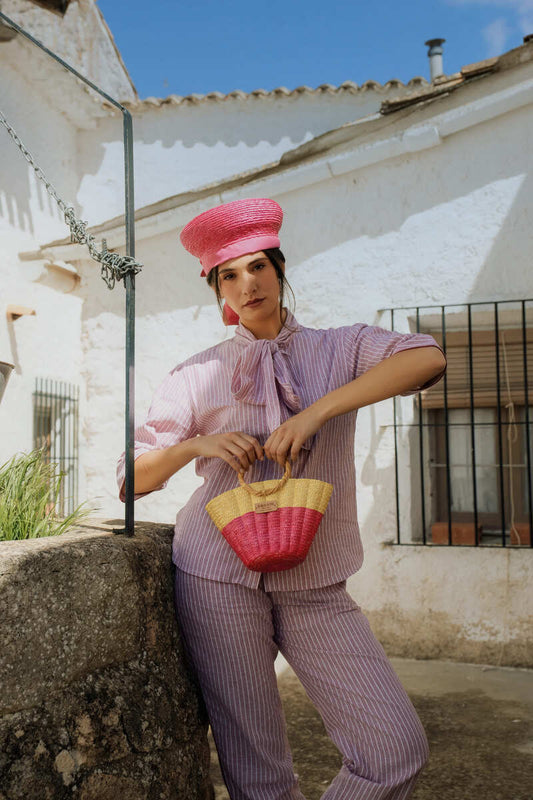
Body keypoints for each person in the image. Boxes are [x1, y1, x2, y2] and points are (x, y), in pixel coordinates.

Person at [116, 197, 447, 800]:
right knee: (257, 774)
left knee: (394, 751)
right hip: (215, 578)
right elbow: (131, 478)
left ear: (280, 268)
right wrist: (196, 445)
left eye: (258, 267)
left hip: (315, 582)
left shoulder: (341, 348)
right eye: (229, 275)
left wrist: (319, 410)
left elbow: (427, 357)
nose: (247, 284)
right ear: (218, 290)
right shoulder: (197, 373)